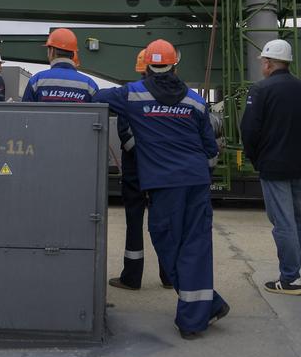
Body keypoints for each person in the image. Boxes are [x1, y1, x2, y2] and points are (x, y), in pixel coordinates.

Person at [98, 39, 229, 339]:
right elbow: (211, 149)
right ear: (175, 66)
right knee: (195, 245)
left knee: (166, 242)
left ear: (146, 67)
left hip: (164, 185)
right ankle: (208, 305)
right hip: (196, 182)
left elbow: (96, 96)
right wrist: (202, 174)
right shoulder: (196, 102)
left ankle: (193, 320)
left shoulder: (132, 94)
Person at [240, 39, 301, 295]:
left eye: (263, 63)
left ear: (267, 63)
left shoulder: (260, 90)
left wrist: (257, 158)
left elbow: (249, 130)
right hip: (300, 165)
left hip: (273, 166)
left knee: (283, 222)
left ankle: (290, 279)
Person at [109, 49, 171, 291]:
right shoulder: (168, 96)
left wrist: (144, 154)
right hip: (161, 170)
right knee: (164, 223)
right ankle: (169, 276)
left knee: (134, 224)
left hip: (136, 171)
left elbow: (126, 135)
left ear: (143, 68)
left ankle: (132, 277)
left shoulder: (133, 95)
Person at [22, 28, 98, 103]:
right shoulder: (89, 85)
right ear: (73, 53)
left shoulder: (36, 81)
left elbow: (23, 112)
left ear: (51, 51)